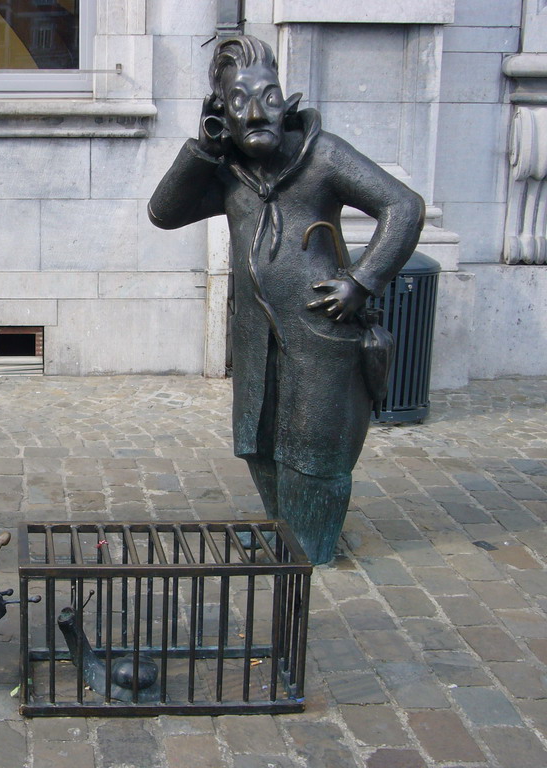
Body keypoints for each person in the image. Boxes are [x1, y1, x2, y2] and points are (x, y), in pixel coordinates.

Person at [148, 35, 424, 563]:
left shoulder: (323, 156)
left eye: (269, 97)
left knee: (317, 449)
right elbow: (164, 211)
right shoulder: (229, 169)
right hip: (257, 335)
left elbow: (403, 207)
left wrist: (362, 280)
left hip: (321, 329)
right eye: (239, 102)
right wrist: (204, 149)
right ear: (220, 112)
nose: (257, 112)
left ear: (286, 100)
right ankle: (286, 531)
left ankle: (312, 546)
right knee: (261, 439)